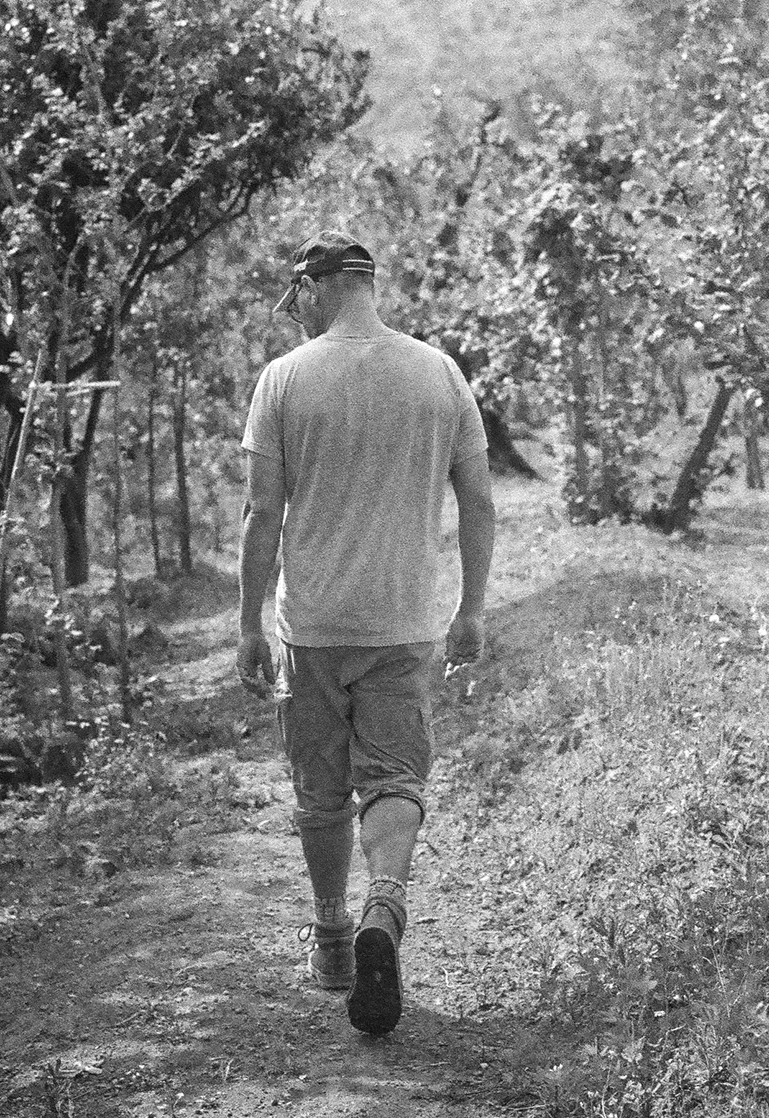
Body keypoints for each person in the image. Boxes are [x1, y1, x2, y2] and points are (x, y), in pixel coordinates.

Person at [236, 229, 496, 1035]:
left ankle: (333, 938)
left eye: (296, 302)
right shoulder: (439, 373)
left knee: (321, 792)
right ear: (369, 285)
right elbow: (479, 501)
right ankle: (387, 905)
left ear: (314, 289)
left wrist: (248, 622)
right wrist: (472, 608)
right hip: (405, 621)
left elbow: (261, 514)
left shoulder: (283, 380)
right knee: (395, 779)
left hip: (312, 625)